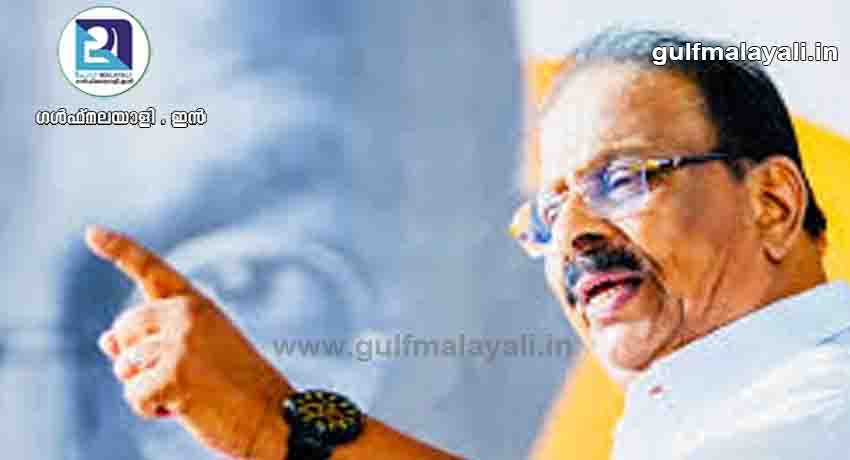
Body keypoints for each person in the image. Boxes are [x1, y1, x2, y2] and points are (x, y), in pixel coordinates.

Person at [88, 28, 850, 460]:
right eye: (547, 215)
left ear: (773, 203)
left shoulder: (823, 407)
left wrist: (269, 422)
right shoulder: (688, 416)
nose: (574, 236)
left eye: (620, 179)